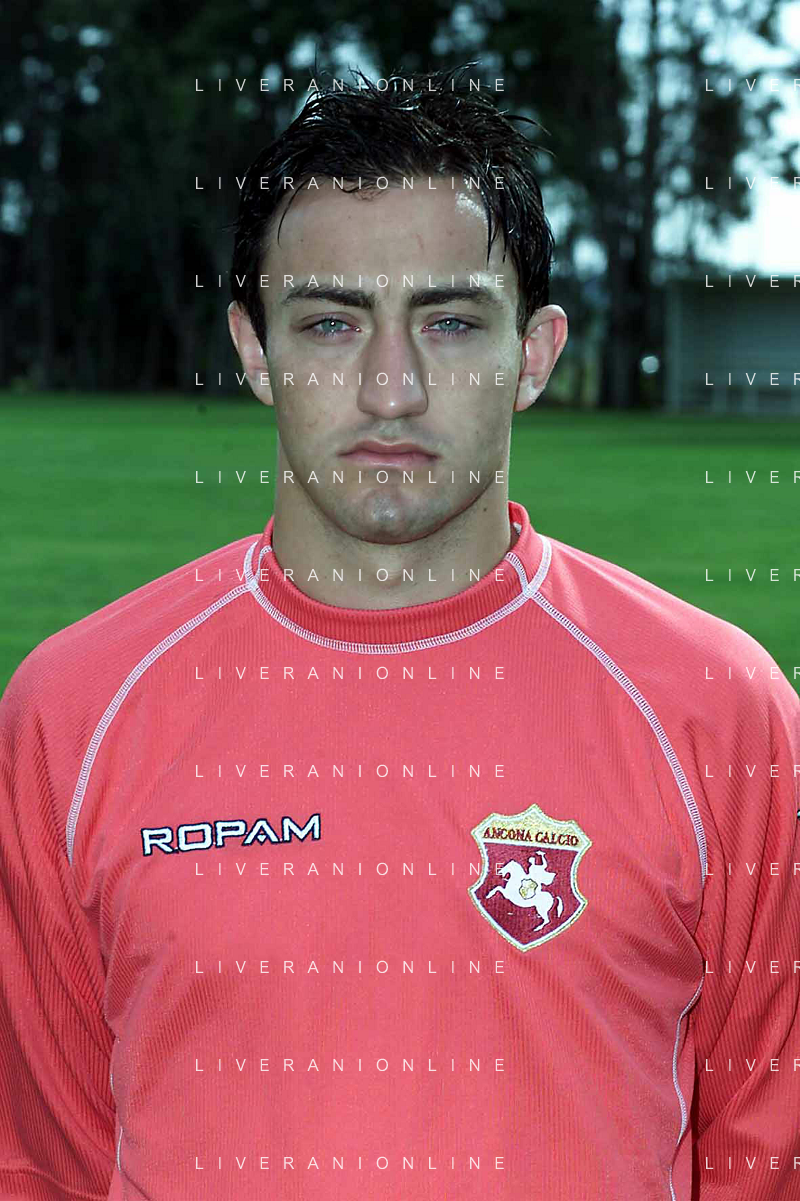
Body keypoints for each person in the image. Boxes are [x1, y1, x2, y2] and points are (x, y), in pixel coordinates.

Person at [1, 63, 797, 1201]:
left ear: (533, 354)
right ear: (253, 351)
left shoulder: (720, 709)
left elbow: (769, 1152)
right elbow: (44, 1160)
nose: (391, 388)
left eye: (450, 321)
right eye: (330, 322)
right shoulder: (73, 714)